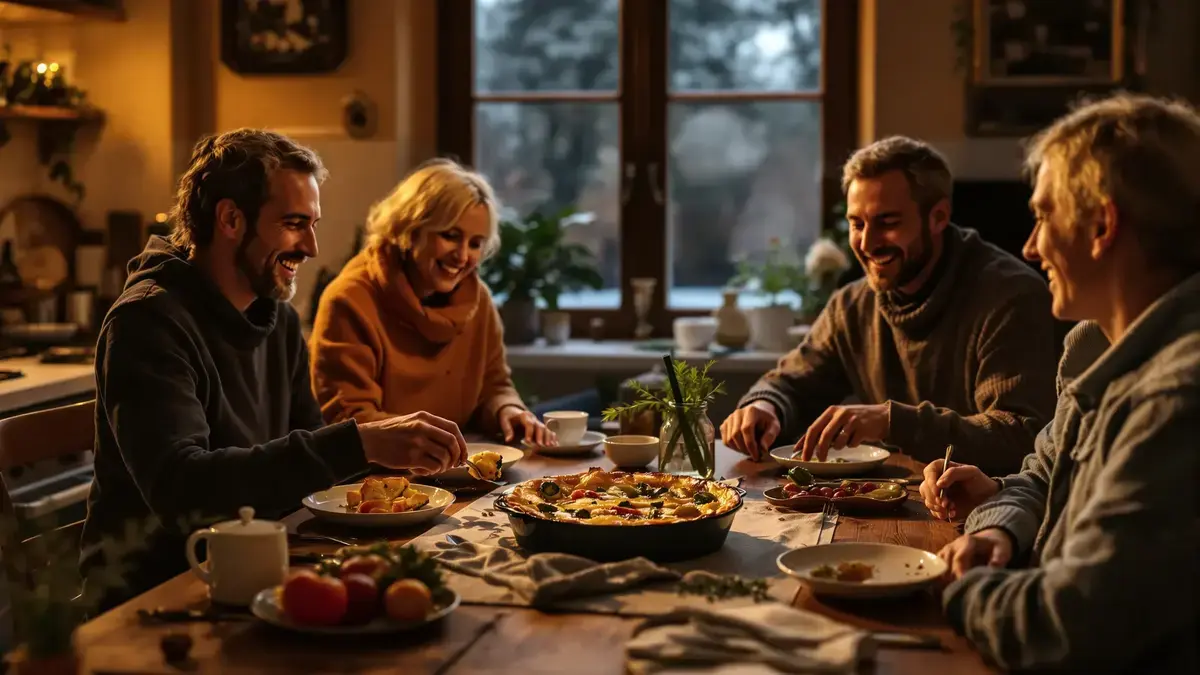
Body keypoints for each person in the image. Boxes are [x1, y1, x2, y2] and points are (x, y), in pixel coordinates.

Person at [80, 130, 468, 610]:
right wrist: (358, 443)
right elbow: (184, 491)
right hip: (158, 595)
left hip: (259, 567)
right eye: (293, 224)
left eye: (313, 225)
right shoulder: (147, 322)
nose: (311, 247)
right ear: (230, 219)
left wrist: (388, 451)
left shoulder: (277, 320)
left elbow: (308, 461)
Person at [919, 93, 1200, 673]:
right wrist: (999, 528)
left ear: (1101, 226)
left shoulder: (1176, 399)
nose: (1029, 246)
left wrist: (949, 589)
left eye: (1044, 216)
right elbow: (1044, 476)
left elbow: (1075, 624)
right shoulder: (1094, 345)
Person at [721, 136, 1057, 475]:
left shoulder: (1010, 297)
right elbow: (792, 383)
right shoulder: (852, 305)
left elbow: (1021, 436)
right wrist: (765, 406)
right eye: (857, 224)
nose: (867, 243)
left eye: (888, 223)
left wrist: (892, 421)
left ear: (938, 217)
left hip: (990, 501)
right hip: (895, 495)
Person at [309, 158, 552, 446]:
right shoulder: (349, 301)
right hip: (377, 473)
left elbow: (494, 386)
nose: (462, 256)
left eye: (475, 244)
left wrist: (507, 409)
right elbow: (348, 422)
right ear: (410, 230)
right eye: (450, 236)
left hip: (459, 466)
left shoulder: (479, 301)